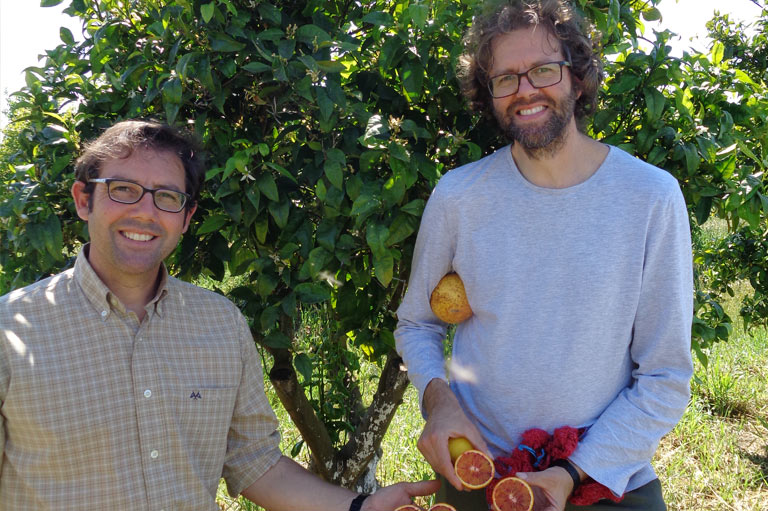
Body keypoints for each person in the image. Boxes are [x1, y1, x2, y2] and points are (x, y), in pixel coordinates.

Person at [0, 119, 439, 510]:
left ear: (187, 216)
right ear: (84, 199)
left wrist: (358, 508)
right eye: (123, 190)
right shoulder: (10, 331)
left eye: (168, 197)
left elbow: (254, 463)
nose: (145, 212)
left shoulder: (220, 323)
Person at [394, 1, 693, 510]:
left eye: (543, 70)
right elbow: (417, 324)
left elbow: (665, 376)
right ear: (487, 94)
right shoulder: (459, 197)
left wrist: (572, 472)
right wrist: (437, 401)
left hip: (606, 478)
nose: (525, 89)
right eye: (505, 78)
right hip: (482, 473)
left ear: (578, 79)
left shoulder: (651, 198)